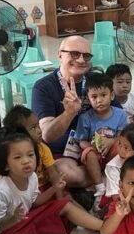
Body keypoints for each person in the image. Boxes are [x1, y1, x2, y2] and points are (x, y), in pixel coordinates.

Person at [0, 132, 105, 234]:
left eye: (30, 155)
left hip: (26, 219)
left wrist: (54, 188)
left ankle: (106, 228)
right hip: (5, 232)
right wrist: (12, 219)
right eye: (17, 157)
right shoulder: (0, 190)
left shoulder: (31, 177)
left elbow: (35, 202)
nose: (26, 161)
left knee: (63, 204)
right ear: (5, 165)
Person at [31, 36, 100, 187]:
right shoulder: (43, 87)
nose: (81, 60)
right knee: (66, 174)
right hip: (63, 152)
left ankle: (99, 178)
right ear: (60, 55)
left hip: (98, 146)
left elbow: (118, 115)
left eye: (86, 56)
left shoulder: (97, 80)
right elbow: (47, 135)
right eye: (75, 54)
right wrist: (69, 113)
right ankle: (103, 179)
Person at [75, 73, 128, 208]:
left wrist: (111, 142)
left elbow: (123, 136)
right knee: (87, 152)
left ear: (111, 95)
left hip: (112, 152)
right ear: (88, 99)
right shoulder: (85, 118)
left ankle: (119, 178)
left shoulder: (120, 114)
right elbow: (81, 140)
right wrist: (91, 146)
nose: (99, 100)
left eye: (103, 95)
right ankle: (99, 186)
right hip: (96, 154)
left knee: (121, 146)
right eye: (94, 97)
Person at [2, 104, 64, 190]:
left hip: (46, 187)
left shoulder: (43, 148)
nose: (39, 131)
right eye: (33, 128)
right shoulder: (12, 153)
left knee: (68, 199)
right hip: (27, 191)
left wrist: (60, 198)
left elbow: (53, 174)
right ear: (19, 133)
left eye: (38, 125)